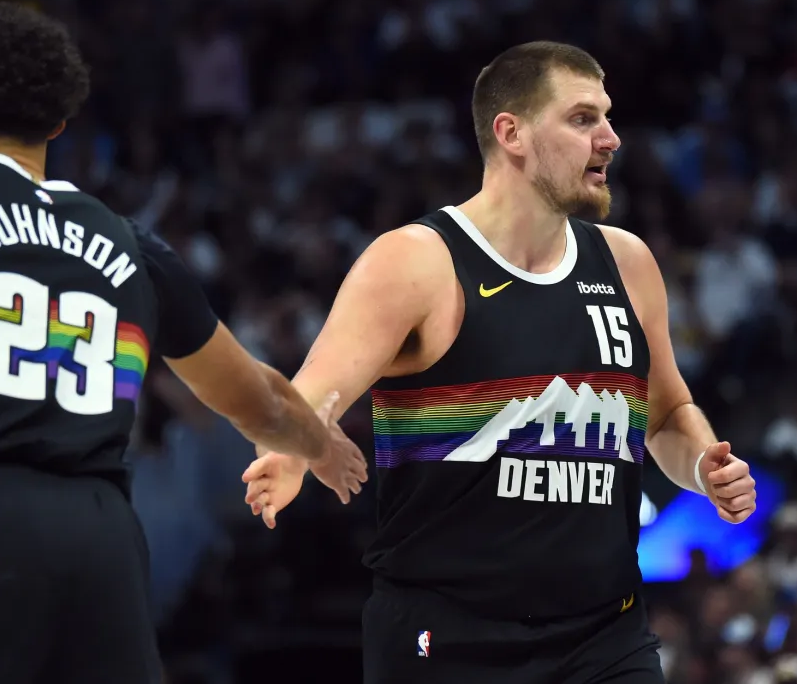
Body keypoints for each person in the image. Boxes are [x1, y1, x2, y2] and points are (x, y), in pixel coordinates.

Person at [0, 3, 367, 684]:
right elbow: (258, 398)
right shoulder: (136, 246)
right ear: (56, 125)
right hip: (102, 542)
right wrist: (319, 445)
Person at [242, 41, 758, 684]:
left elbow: (665, 413)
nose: (612, 139)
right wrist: (294, 452)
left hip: (606, 637)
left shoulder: (627, 262)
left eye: (607, 116)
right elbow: (315, 390)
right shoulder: (418, 261)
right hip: (451, 641)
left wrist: (705, 466)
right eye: (582, 119)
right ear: (511, 132)